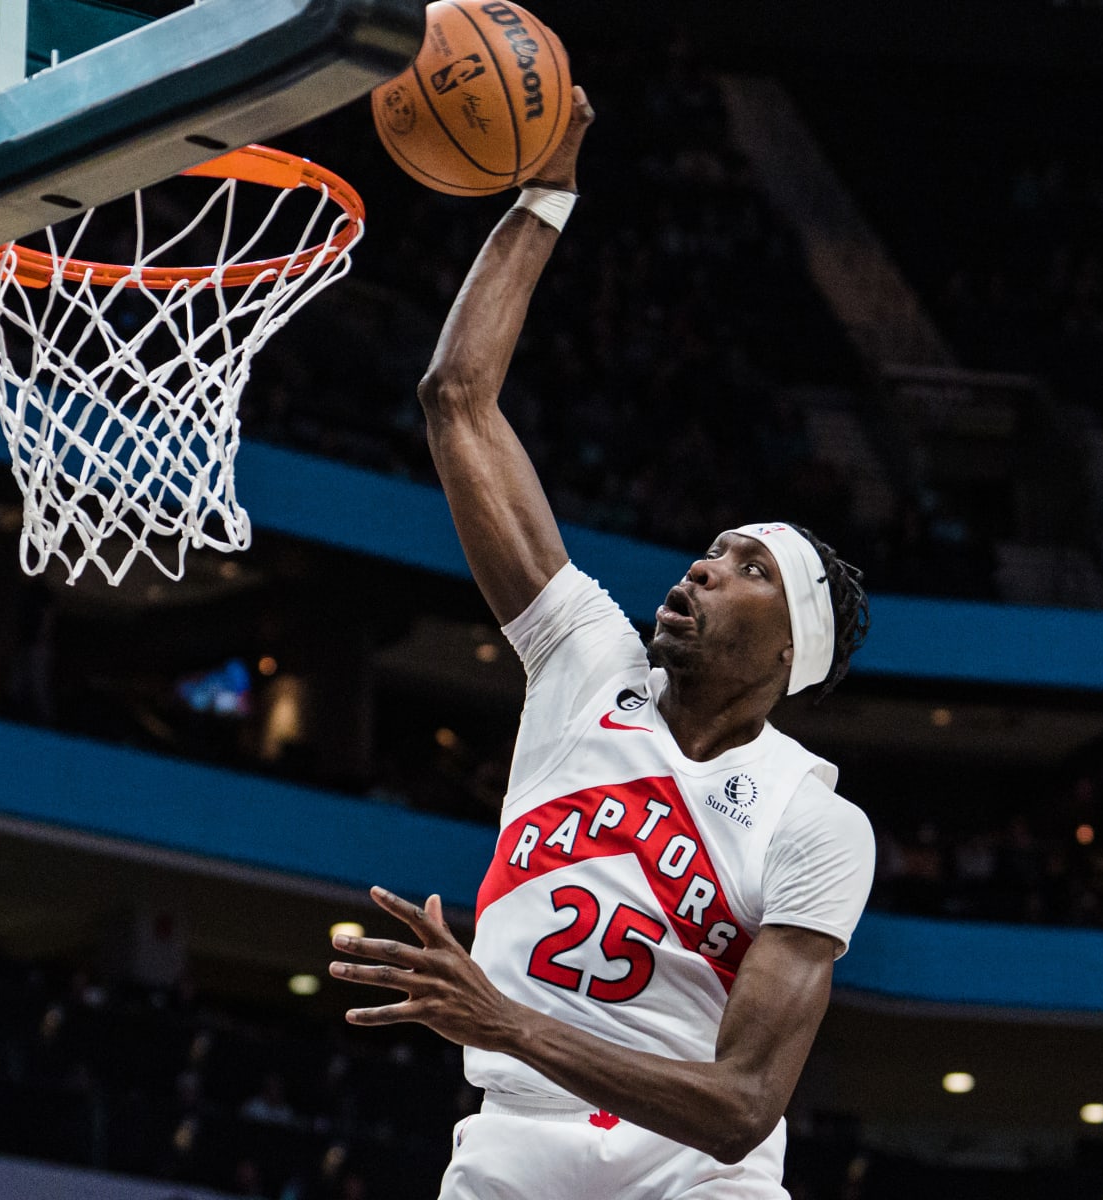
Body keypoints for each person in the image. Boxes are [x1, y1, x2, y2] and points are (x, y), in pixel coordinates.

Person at [329, 88, 875, 1199]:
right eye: (710, 550)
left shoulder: (813, 819)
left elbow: (738, 1111)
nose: (703, 568)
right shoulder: (588, 657)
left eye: (749, 567)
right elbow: (458, 399)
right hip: (518, 1138)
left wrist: (506, 1019)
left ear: (790, 654)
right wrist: (544, 191)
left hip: (693, 1173)